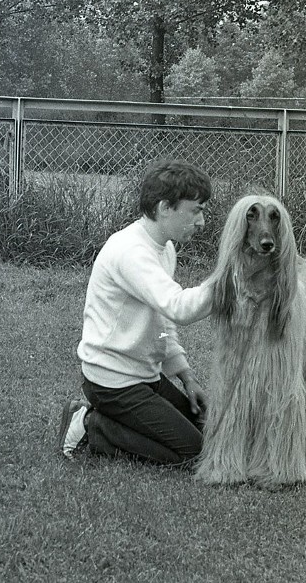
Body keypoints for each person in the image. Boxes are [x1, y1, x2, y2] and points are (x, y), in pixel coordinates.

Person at [58, 160, 214, 466]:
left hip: (144, 376)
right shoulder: (132, 252)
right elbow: (178, 307)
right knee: (193, 453)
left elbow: (163, 321)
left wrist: (187, 377)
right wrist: (227, 279)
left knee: (207, 432)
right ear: (165, 208)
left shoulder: (164, 247)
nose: (202, 222)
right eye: (195, 210)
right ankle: (91, 424)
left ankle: (110, 420)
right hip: (113, 383)